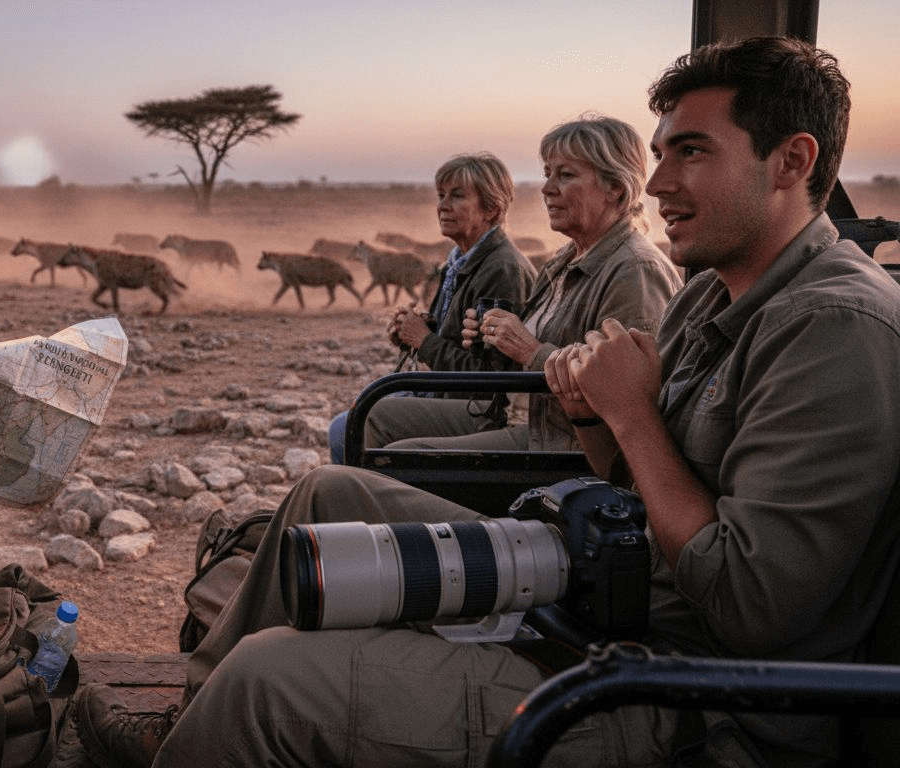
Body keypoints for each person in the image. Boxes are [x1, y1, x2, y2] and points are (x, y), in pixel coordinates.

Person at [74, 37, 900, 767]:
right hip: (596, 586)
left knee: (266, 682)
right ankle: (189, 721)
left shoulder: (832, 328)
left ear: (791, 161)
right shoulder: (711, 294)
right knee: (326, 492)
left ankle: (227, 719)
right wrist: (596, 414)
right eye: (658, 153)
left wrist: (632, 415)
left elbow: (751, 610)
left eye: (690, 152)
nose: (659, 182)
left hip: (684, 693)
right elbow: (628, 480)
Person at [376, 115, 682, 453]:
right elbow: (511, 358)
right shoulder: (564, 261)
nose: (547, 188)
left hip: (561, 446)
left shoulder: (635, 270)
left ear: (616, 188)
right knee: (376, 414)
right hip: (519, 417)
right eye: (547, 174)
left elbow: (630, 398)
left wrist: (529, 350)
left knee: (399, 456)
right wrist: (489, 338)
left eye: (566, 175)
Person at [326, 153, 536, 464]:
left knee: (350, 425)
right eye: (441, 195)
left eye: (457, 196)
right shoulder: (459, 261)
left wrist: (425, 341)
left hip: (482, 409)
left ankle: (363, 499)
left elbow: (491, 376)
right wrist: (417, 331)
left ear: (491, 208)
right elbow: (462, 343)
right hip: (451, 395)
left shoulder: (502, 271)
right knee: (349, 421)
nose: (442, 206)